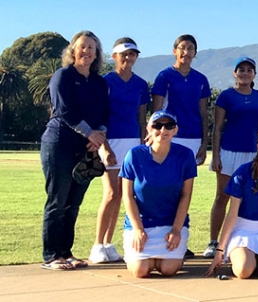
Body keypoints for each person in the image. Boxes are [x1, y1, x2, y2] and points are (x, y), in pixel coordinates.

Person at [40, 30, 109, 270]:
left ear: (96, 53)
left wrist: (97, 136)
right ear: (73, 50)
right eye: (82, 46)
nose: (87, 51)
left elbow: (105, 113)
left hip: (86, 148)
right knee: (57, 201)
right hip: (59, 144)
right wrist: (91, 133)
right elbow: (64, 110)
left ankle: (66, 253)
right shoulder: (63, 76)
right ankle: (51, 256)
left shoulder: (100, 82)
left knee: (73, 203)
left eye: (92, 47)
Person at [90, 37, 148, 264]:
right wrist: (103, 145)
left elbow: (142, 116)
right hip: (110, 139)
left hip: (133, 141)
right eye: (124, 54)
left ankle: (108, 244)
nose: (128, 57)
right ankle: (97, 244)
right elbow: (98, 115)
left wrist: (144, 143)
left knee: (125, 195)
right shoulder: (105, 82)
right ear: (114, 56)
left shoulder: (141, 84)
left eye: (132, 54)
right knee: (111, 193)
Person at [205, 131, 258, 279]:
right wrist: (219, 251)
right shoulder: (242, 173)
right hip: (242, 230)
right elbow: (232, 214)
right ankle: (247, 257)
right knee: (243, 271)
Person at [205, 57, 258, 258]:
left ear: (254, 75)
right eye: (241, 69)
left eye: (249, 70)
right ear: (235, 73)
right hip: (228, 152)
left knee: (250, 197)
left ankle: (245, 240)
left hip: (251, 154)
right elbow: (217, 128)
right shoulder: (226, 96)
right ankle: (213, 242)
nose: (245, 73)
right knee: (222, 196)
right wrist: (215, 156)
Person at [119, 110, 196, 277]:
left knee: (168, 269)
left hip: (171, 224)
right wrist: (138, 229)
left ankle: (167, 256)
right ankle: (148, 258)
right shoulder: (134, 155)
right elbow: (127, 196)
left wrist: (176, 230)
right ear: (148, 128)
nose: (163, 130)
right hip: (141, 224)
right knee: (140, 270)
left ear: (175, 130)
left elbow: (185, 196)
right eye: (157, 125)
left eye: (169, 125)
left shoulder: (185, 155)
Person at [151, 34, 210, 166]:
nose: (186, 52)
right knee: (167, 178)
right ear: (174, 51)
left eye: (190, 49)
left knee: (187, 181)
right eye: (182, 48)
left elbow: (203, 114)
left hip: (194, 137)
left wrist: (204, 143)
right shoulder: (164, 76)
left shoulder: (201, 79)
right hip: (170, 135)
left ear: (195, 53)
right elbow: (156, 111)